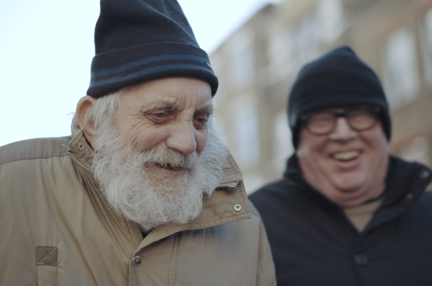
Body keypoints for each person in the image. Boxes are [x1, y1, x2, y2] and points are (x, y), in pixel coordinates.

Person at [0, 1, 276, 285]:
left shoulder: (245, 226)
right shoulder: (8, 185)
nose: (187, 143)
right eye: (159, 115)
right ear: (93, 122)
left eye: (200, 120)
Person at [250, 46, 432, 286]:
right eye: (322, 119)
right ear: (298, 139)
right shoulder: (253, 227)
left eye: (360, 114)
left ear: (383, 129)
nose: (343, 133)